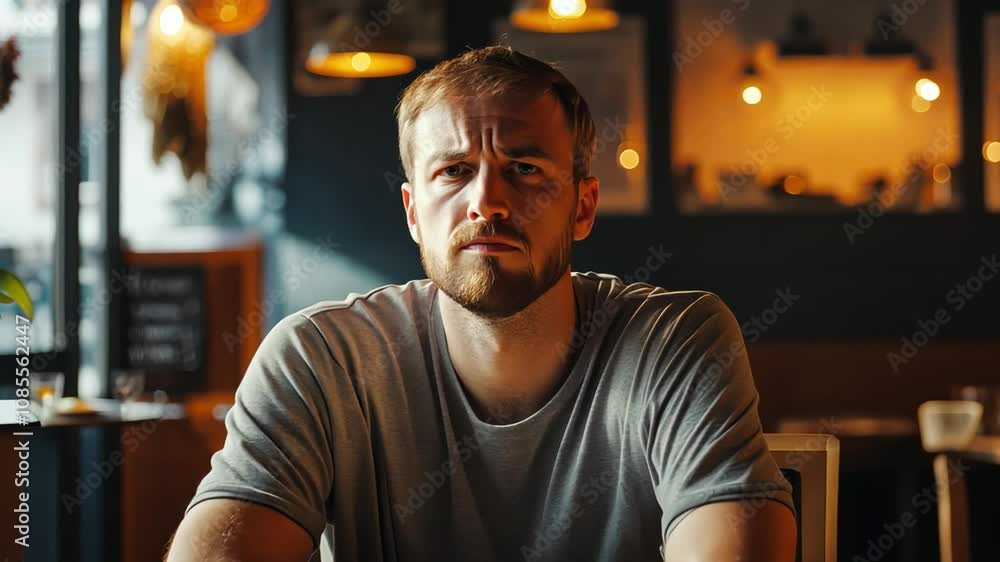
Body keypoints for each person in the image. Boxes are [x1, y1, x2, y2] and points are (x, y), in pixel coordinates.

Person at [166, 46, 795, 562]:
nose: (486, 203)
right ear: (413, 213)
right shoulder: (320, 360)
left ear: (582, 207)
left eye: (524, 168)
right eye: (454, 171)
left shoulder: (675, 340)